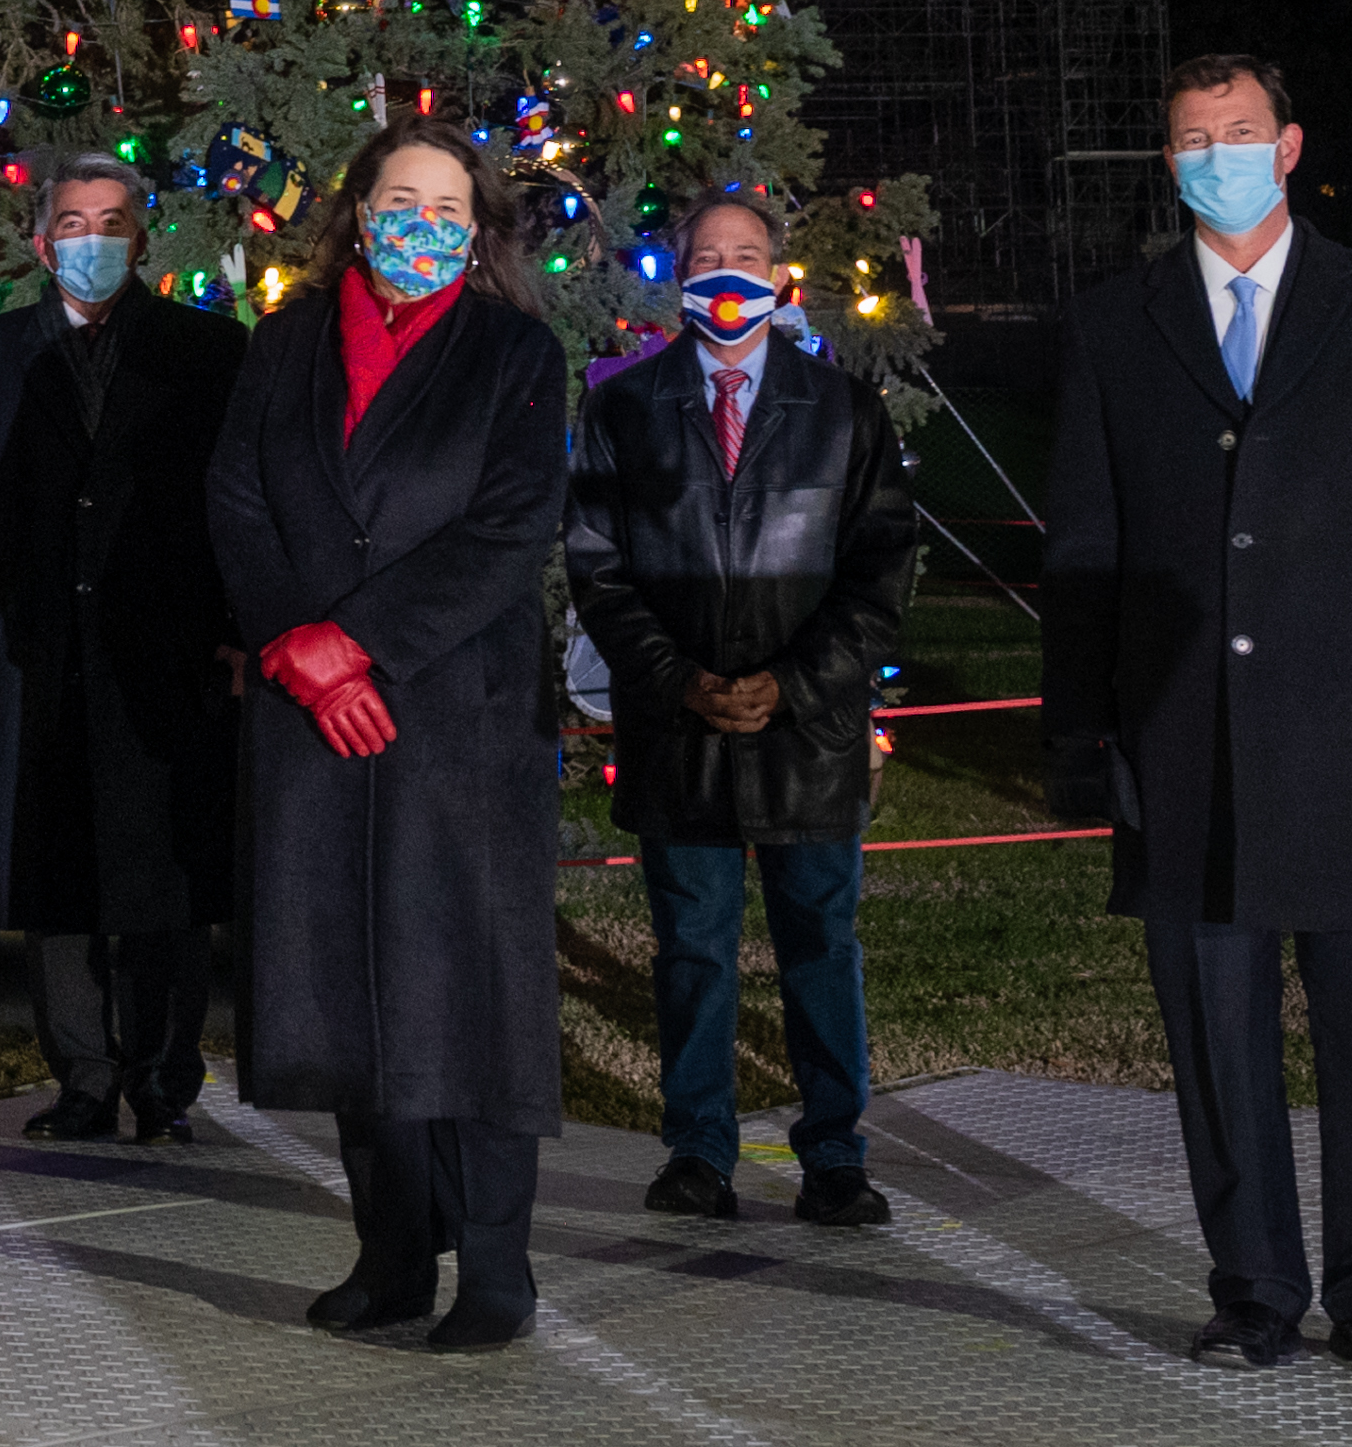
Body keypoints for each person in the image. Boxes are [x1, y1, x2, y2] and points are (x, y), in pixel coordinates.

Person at [1043, 55, 1352, 1381]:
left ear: (1290, 145)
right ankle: (1252, 1287)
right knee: (1215, 1031)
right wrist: (1083, 733)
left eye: (1241, 131)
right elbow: (1084, 543)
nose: (1218, 154)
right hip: (1182, 744)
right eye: (1194, 137)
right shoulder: (1115, 324)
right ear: (1170, 160)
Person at [206, 124, 570, 1352]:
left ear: (479, 226)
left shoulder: (516, 350)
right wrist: (291, 641)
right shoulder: (286, 341)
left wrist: (359, 640)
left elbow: (514, 526)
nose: (420, 219)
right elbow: (237, 497)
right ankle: (392, 1253)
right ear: (357, 209)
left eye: (446, 202)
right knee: (348, 984)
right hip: (311, 714)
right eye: (397, 196)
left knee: (465, 984)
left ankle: (500, 1268)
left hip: (451, 713)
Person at [566, 192, 922, 1228]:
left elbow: (880, 571)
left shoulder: (842, 408)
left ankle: (836, 1155)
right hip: (682, 730)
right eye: (707, 255)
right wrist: (678, 676)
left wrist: (798, 683)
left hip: (808, 733)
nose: (728, 271)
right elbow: (599, 566)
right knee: (692, 948)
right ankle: (700, 1150)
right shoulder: (626, 407)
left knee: (822, 942)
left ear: (778, 275)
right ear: (678, 272)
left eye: (748, 255)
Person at [0, 155, 248, 1144]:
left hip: (170, 655)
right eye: (74, 220)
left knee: (166, 874)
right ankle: (82, 1074)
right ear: (40, 239)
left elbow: (236, 508)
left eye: (112, 221)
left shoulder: (210, 352)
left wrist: (237, 633)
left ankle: (163, 1074)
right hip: (35, 649)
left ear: (141, 239)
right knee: (53, 868)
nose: (92, 238)